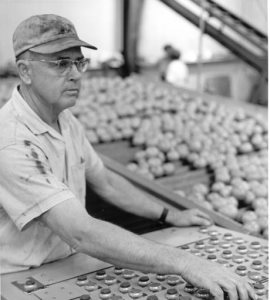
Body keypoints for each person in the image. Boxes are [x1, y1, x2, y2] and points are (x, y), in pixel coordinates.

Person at [0, 14, 255, 300]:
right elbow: (80, 232)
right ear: (25, 71)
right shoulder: (11, 142)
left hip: (65, 265)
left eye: (79, 62)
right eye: (61, 64)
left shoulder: (65, 120)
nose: (76, 74)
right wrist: (186, 263)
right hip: (18, 282)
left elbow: (105, 180)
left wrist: (168, 214)